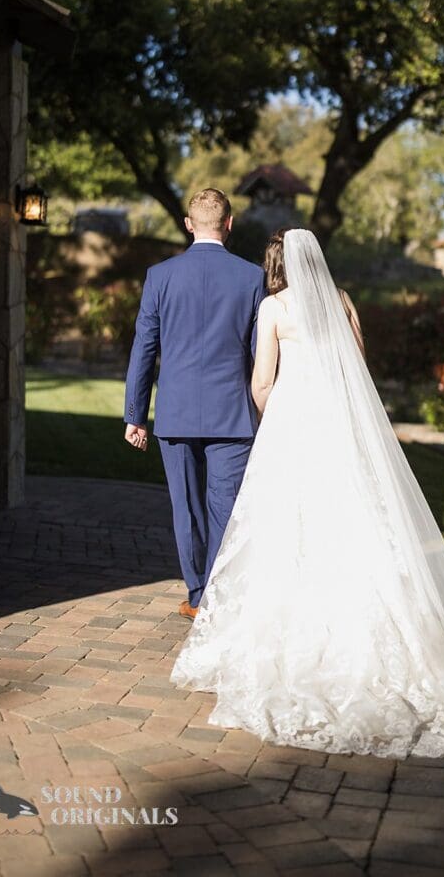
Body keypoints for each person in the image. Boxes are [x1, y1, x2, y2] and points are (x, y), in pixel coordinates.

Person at [170, 227, 444, 779]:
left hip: (292, 435)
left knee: (288, 533)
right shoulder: (342, 301)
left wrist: (276, 417)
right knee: (351, 527)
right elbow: (358, 370)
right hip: (338, 432)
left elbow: (261, 383)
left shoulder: (274, 307)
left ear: (282, 263)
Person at [124, 188, 267, 619]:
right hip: (233, 414)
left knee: (186, 509)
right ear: (229, 223)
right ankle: (218, 598)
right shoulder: (252, 277)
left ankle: (199, 596)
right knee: (226, 509)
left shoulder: (160, 276)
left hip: (176, 413)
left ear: (189, 224)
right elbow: (260, 355)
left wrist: (135, 415)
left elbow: (144, 349)